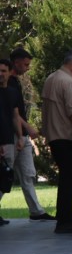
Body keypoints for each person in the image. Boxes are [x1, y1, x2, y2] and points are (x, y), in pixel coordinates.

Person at [41, 49, 72, 234]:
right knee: (69, 180)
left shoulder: (51, 78)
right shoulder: (69, 82)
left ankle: (64, 218)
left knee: (66, 180)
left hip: (54, 136)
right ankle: (65, 221)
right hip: (67, 137)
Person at [8, 49, 54, 222]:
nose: (27, 68)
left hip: (22, 135)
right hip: (11, 135)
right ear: (16, 62)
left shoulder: (16, 83)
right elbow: (12, 112)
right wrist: (27, 127)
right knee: (6, 173)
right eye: (25, 64)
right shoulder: (7, 84)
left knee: (28, 173)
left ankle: (36, 211)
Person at [0, 58, 17, 226]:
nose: (1, 74)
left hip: (9, 139)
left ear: (10, 72)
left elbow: (15, 115)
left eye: (4, 71)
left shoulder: (12, 92)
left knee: (5, 176)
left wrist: (20, 136)